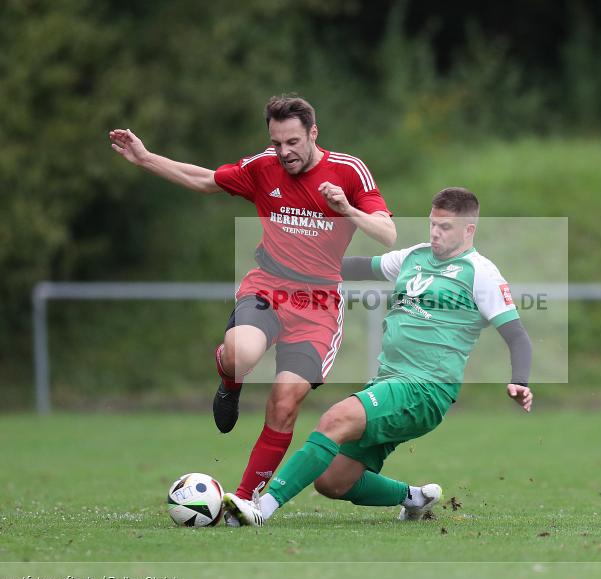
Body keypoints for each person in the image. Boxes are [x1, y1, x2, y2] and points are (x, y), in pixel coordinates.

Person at [109, 95, 396, 502]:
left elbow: (387, 233)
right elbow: (206, 180)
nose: (284, 152)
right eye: (277, 142)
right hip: (269, 286)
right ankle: (230, 381)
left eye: (293, 142)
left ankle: (244, 500)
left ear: (313, 133)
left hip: (318, 306)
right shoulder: (264, 167)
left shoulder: (348, 171)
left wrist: (347, 208)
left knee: (284, 403)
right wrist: (145, 159)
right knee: (240, 354)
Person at [220, 187, 534, 526]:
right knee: (333, 481)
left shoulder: (481, 273)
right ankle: (414, 498)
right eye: (432, 224)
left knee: (334, 419)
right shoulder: (414, 256)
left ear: (469, 230)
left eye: (445, 227)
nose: (435, 232)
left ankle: (260, 507)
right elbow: (350, 267)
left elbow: (517, 336)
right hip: (388, 382)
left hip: (425, 389)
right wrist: (290, 265)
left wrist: (520, 381)